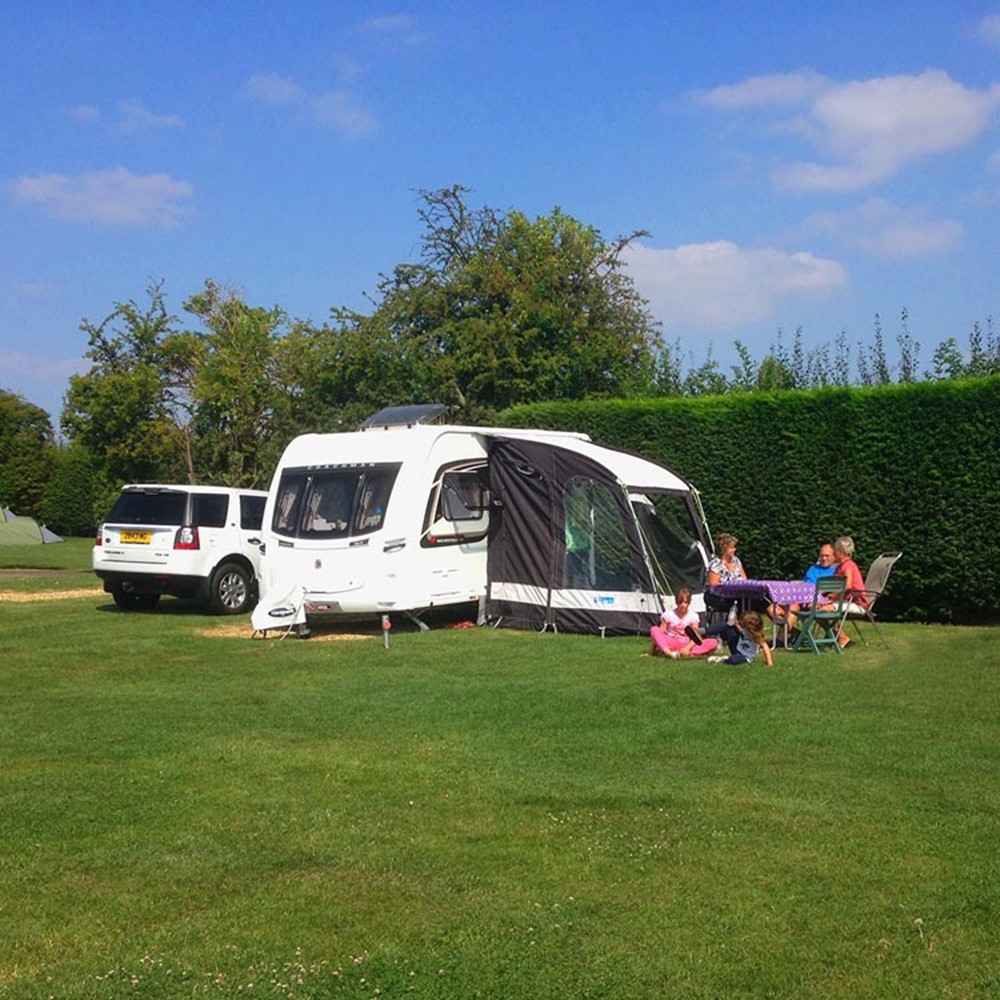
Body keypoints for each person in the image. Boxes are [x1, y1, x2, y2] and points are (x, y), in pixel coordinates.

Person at [770, 542, 837, 637]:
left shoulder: (835, 571)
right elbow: (804, 583)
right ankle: (796, 634)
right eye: (821, 555)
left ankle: (781, 639)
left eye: (827, 556)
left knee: (793, 608)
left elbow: (831, 591)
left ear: (834, 556)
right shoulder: (813, 568)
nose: (824, 558)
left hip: (812, 601)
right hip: (798, 596)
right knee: (771, 609)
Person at [649, 587, 719, 659]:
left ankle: (684, 653)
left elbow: (696, 636)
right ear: (676, 602)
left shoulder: (694, 616)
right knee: (654, 629)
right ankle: (669, 653)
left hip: (687, 643)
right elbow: (660, 634)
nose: (682, 605)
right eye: (680, 602)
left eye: (685, 602)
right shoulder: (668, 615)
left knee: (713, 642)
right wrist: (651, 651)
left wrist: (687, 648)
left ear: (689, 602)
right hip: (671, 641)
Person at [831, 535, 868, 648]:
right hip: (844, 601)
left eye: (835, 551)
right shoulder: (838, 567)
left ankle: (842, 637)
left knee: (821, 609)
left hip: (857, 603)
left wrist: (832, 596)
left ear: (841, 551)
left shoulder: (848, 566)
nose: (834, 553)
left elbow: (848, 586)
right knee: (818, 607)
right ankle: (837, 636)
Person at [702, 610, 774, 666]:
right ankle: (703, 631)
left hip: (745, 657)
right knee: (727, 626)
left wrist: (769, 663)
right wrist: (735, 623)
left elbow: (765, 647)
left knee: (735, 660)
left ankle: (723, 660)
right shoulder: (745, 630)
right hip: (737, 649)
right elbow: (741, 630)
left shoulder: (756, 635)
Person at [705, 532, 748, 617]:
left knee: (757, 600)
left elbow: (744, 579)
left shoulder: (736, 561)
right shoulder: (715, 565)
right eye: (731, 548)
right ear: (724, 549)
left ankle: (778, 617)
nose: (734, 549)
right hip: (718, 597)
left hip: (737, 595)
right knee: (743, 604)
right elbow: (714, 587)